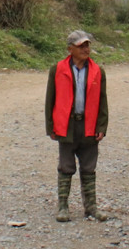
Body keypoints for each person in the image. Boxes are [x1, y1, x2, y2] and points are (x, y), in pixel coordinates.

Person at [44, 29, 108, 222]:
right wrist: (50, 126)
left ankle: (91, 207)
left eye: (87, 45)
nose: (86, 49)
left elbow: (102, 100)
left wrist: (102, 126)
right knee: (66, 166)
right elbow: (50, 99)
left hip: (88, 124)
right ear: (70, 48)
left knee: (89, 167)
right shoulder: (57, 69)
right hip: (66, 125)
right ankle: (63, 207)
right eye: (81, 46)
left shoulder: (98, 71)